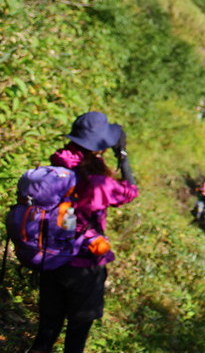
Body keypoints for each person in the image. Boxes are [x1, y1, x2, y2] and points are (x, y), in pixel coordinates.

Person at [28, 111, 138, 353]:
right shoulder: (99, 182)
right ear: (99, 147)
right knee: (76, 337)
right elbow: (130, 191)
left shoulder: (54, 169)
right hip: (83, 266)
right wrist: (123, 155)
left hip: (50, 259)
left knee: (46, 331)